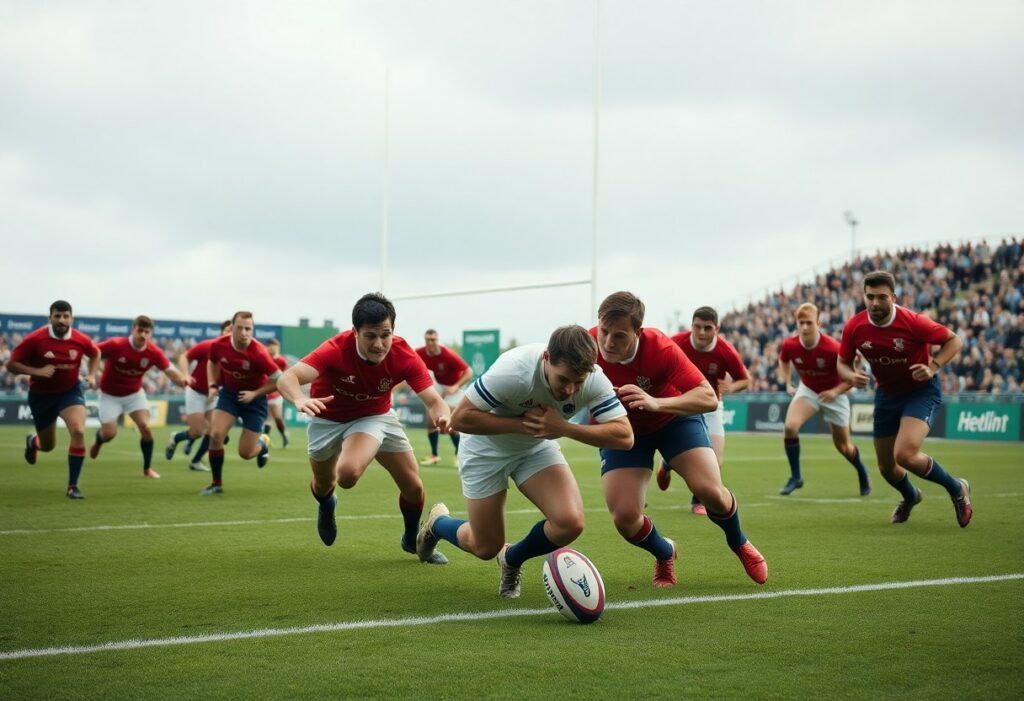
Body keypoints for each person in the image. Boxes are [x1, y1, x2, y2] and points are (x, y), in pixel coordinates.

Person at [416, 325, 633, 598]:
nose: (570, 390)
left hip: (535, 448)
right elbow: (461, 419)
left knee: (570, 522)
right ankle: (438, 523)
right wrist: (523, 425)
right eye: (563, 379)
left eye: (578, 382)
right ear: (546, 358)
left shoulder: (592, 378)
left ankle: (512, 558)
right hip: (485, 449)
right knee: (485, 547)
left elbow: (625, 436)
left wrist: (564, 429)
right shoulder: (515, 370)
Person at [592, 292, 767, 587]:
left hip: (673, 421)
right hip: (624, 431)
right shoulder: (587, 345)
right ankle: (665, 552)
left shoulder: (659, 347)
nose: (608, 343)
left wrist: (656, 402)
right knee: (624, 517)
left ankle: (739, 542)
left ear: (638, 332)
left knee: (710, 491)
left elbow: (708, 397)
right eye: (604, 331)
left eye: (619, 336)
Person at [275, 293, 452, 564]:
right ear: (355, 332)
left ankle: (411, 539)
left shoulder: (404, 355)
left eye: (386, 334)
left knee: (410, 486)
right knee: (325, 485)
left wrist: (442, 417)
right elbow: (288, 378)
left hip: (375, 416)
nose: (380, 344)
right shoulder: (335, 349)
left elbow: (435, 401)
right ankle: (326, 503)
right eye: (370, 336)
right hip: (327, 418)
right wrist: (299, 398)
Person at [838, 270, 972, 526]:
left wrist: (932, 366)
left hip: (920, 391)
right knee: (887, 468)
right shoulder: (855, 326)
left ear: (893, 297)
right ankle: (911, 496)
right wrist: (849, 376)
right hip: (886, 395)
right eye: (870, 297)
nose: (875, 303)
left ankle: (956, 488)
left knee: (905, 454)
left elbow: (954, 341)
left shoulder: (913, 322)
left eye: (881, 297)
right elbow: (842, 363)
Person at [658, 306, 750, 516]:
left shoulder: (726, 351)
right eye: (697, 327)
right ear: (691, 326)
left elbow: (745, 380)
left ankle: (697, 500)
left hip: (711, 406)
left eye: (707, 328)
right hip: (681, 404)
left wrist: (732, 387)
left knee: (716, 461)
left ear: (716, 328)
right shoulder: (676, 342)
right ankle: (669, 461)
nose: (701, 332)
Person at [5, 300, 100, 499]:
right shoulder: (35, 339)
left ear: (71, 318)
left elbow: (95, 353)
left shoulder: (80, 339)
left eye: (66, 316)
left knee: (78, 430)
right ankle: (33, 442)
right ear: (50, 318)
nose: (61, 320)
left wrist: (92, 376)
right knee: (48, 446)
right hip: (42, 396)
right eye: (57, 316)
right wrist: (36, 371)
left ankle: (73, 486)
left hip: (70, 392)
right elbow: (11, 365)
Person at [777, 303, 871, 496]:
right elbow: (783, 360)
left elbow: (851, 378)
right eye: (800, 323)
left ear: (818, 323)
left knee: (844, 447)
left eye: (808, 323)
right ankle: (796, 477)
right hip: (809, 390)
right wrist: (787, 382)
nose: (804, 327)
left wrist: (835, 392)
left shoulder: (833, 348)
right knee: (790, 427)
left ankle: (862, 471)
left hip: (835, 395)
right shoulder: (789, 344)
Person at [89, 315, 190, 478]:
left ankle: (147, 469)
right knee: (109, 434)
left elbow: (170, 371)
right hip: (110, 395)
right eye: (140, 330)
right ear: (133, 329)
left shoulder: (153, 352)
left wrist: (186, 382)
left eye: (147, 332)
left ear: (150, 334)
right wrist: (94, 373)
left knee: (145, 427)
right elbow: (92, 352)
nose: (143, 335)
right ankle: (99, 441)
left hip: (134, 394)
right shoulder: (116, 344)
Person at [200, 311, 282, 495]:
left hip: (255, 401)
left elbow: (279, 380)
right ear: (232, 327)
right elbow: (212, 362)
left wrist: (256, 393)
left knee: (245, 453)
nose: (244, 333)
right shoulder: (218, 345)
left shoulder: (259, 353)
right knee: (215, 435)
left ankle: (263, 442)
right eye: (240, 328)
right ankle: (216, 483)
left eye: (248, 329)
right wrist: (213, 384)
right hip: (229, 395)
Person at [165, 320, 232, 471]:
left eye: (233, 331)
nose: (230, 333)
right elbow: (184, 357)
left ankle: (195, 461)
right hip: (195, 392)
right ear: (221, 333)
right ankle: (176, 438)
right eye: (228, 330)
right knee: (196, 432)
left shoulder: (238, 354)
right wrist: (185, 375)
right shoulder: (209, 346)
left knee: (215, 432)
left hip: (213, 394)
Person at [415, 329, 473, 466]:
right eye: (428, 340)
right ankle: (434, 455)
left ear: (437, 340)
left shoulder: (447, 354)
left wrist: (455, 386)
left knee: (451, 423)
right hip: (439, 385)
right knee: (430, 420)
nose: (430, 342)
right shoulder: (420, 352)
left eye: (433, 339)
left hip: (453, 388)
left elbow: (469, 371)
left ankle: (458, 455)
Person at [262, 338, 290, 448]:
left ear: (277, 348)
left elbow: (286, 375)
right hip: (265, 392)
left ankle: (283, 435)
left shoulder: (281, 361)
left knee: (277, 416)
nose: (271, 349)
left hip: (276, 392)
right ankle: (264, 442)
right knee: (268, 417)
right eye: (269, 347)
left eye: (274, 347)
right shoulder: (264, 358)